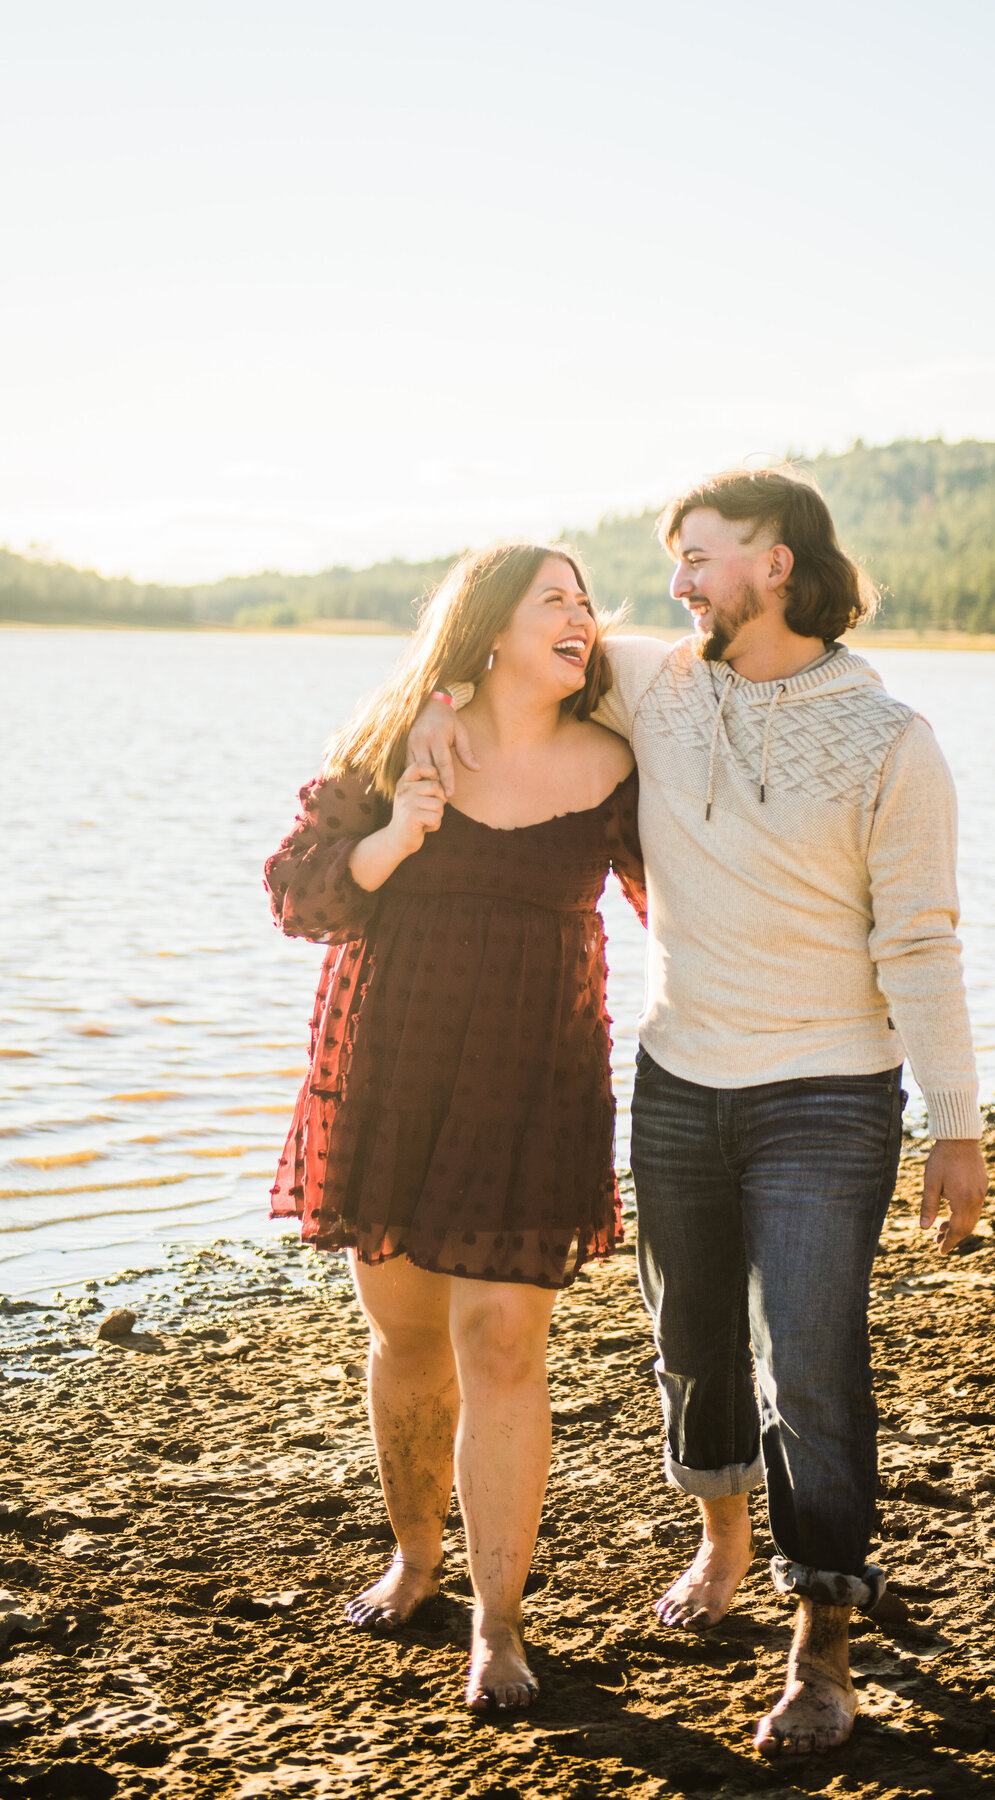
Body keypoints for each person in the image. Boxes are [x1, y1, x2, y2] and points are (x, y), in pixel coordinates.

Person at [407, 467, 988, 1756]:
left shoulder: (893, 739)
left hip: (828, 1095)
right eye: (672, 560)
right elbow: (503, 646)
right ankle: (724, 1541)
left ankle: (823, 1641)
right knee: (694, 1351)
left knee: (814, 1366)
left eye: (699, 556)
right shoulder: (655, 681)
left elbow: (925, 940)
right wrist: (439, 713)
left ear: (777, 563)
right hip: (678, 1080)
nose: (673, 583)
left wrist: (956, 1120)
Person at [263, 542, 644, 1713]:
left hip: (536, 1079)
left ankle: (501, 1625)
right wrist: (399, 834)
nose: (582, 619)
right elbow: (300, 892)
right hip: (395, 1067)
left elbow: (691, 899)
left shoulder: (622, 763)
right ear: (485, 630)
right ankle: (414, 1556)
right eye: (554, 603)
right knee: (411, 1336)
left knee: (504, 1346)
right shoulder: (396, 741)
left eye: (588, 604)